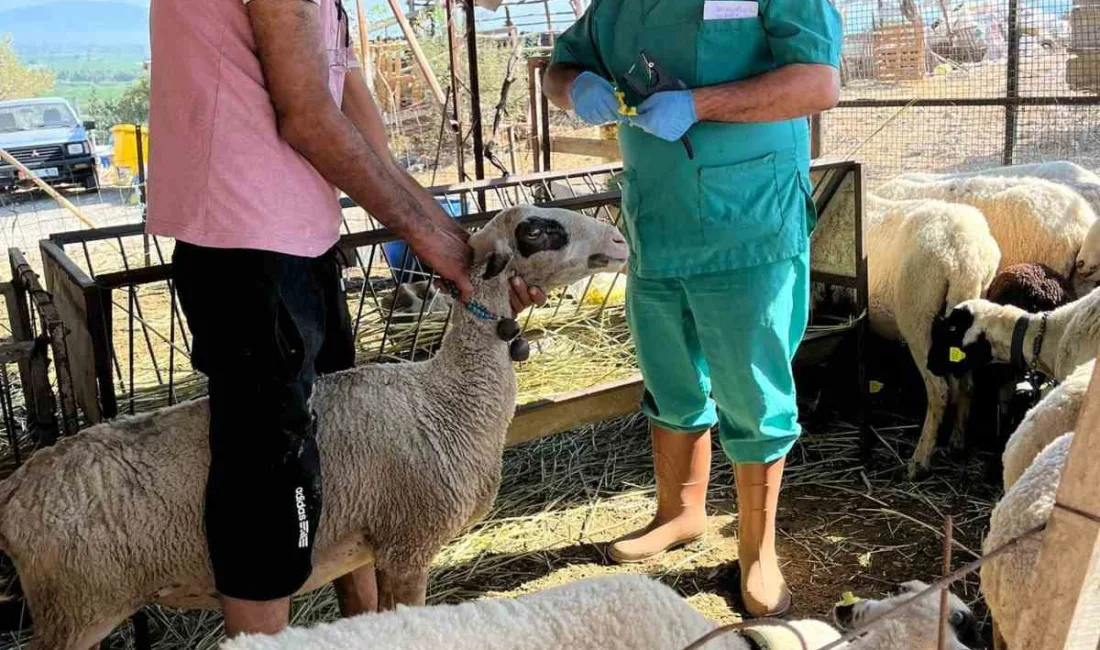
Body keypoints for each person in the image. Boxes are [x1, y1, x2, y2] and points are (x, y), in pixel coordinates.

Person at [147, 0, 542, 637]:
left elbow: (364, 130)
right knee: (269, 469)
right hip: (244, 238)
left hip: (300, 234)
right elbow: (307, 114)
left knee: (336, 447)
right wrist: (431, 240)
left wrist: (465, 252)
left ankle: (361, 631)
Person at [544, 0, 842, 618]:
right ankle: (680, 512)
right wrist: (579, 87)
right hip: (657, 220)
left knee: (752, 387)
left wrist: (700, 104)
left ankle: (757, 550)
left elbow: (817, 82)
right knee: (668, 373)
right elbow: (559, 68)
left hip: (747, 223)